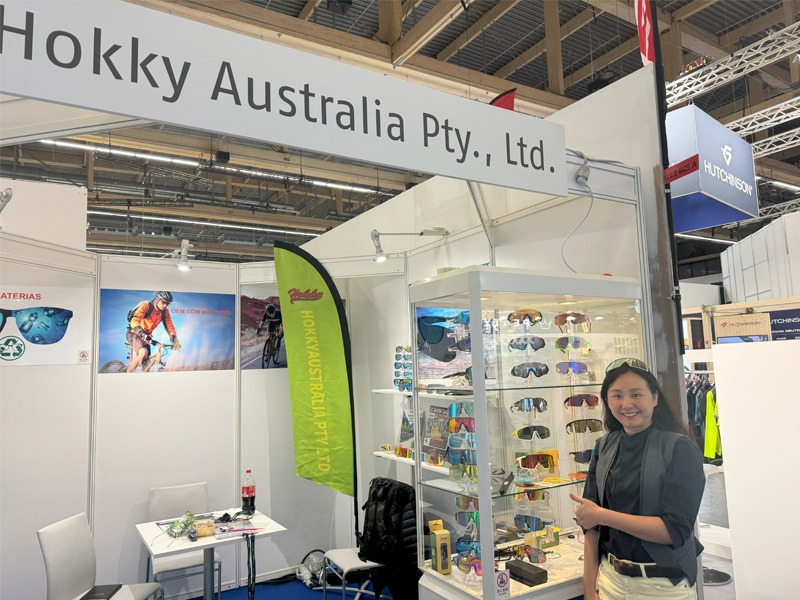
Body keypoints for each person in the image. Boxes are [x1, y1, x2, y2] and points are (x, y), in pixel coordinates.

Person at [569, 358, 705, 600]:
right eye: (617, 395)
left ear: (654, 398)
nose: (626, 404)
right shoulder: (605, 446)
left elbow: (673, 530)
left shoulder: (679, 448)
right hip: (610, 581)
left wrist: (602, 515)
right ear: (607, 401)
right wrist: (589, 585)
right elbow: (591, 524)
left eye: (636, 394)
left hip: (662, 587)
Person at [126, 291, 181, 373]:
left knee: (147, 366)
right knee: (143, 352)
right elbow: (135, 320)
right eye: (163, 302)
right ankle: (126, 376)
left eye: (168, 304)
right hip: (134, 333)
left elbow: (170, 327)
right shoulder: (146, 305)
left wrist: (175, 341)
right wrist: (141, 333)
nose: (165, 305)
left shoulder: (165, 312)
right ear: (157, 299)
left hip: (147, 338)